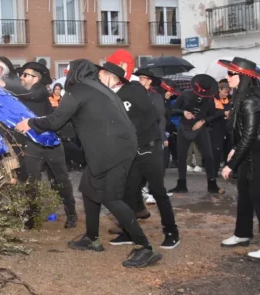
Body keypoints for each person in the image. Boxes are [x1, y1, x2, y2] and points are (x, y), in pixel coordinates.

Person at [16, 59, 162, 268]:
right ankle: (91, 238)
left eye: (69, 72)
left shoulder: (77, 91)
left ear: (75, 73)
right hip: (118, 146)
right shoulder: (98, 90)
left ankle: (145, 248)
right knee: (88, 189)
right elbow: (75, 125)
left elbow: (56, 120)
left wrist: (30, 123)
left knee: (110, 197)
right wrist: (53, 131)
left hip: (111, 150)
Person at [104, 55, 179, 250]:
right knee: (129, 191)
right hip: (131, 151)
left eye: (104, 74)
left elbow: (152, 115)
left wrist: (133, 132)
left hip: (148, 147)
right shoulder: (111, 95)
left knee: (157, 191)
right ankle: (129, 232)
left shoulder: (134, 89)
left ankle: (171, 232)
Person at [219, 57, 260, 261]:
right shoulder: (241, 97)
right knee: (244, 193)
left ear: (243, 77)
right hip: (252, 150)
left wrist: (231, 164)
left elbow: (249, 135)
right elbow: (243, 132)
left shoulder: (250, 101)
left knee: (259, 197)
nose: (227, 77)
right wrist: (235, 149)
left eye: (231, 73)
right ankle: (242, 233)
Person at [10, 62, 77, 229]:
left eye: (25, 75)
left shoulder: (40, 91)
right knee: (32, 182)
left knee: (61, 180)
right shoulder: (24, 94)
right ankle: (33, 216)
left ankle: (71, 214)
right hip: (32, 145)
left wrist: (5, 84)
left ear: (36, 78)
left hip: (51, 144)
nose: (21, 77)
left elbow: (33, 95)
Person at [169, 74, 223, 194]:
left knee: (208, 156)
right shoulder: (185, 94)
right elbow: (172, 110)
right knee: (181, 156)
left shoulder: (210, 98)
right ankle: (181, 184)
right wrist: (183, 112)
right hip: (184, 127)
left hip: (200, 128)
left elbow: (215, 114)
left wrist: (203, 121)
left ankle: (212, 184)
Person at [209, 82, 233, 178]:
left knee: (228, 149)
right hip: (216, 128)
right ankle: (213, 172)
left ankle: (228, 170)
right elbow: (210, 115)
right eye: (224, 92)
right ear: (219, 90)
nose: (226, 94)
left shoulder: (230, 100)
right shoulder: (212, 99)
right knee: (216, 150)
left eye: (227, 93)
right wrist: (223, 113)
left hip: (228, 128)